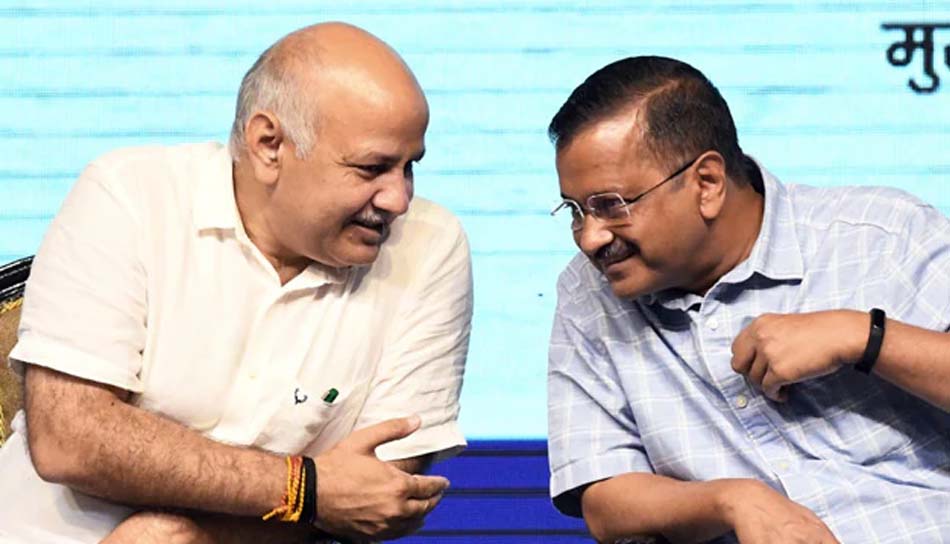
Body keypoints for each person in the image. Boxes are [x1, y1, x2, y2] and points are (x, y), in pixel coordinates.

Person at [0, 22, 472, 544]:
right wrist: (304, 489)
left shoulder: (429, 244)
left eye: (409, 168)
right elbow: (69, 439)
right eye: (371, 168)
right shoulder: (128, 195)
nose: (398, 200)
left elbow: (376, 496)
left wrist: (174, 533)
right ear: (269, 145)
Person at [546, 56, 950, 544]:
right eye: (576, 211)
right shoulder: (588, 294)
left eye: (611, 206)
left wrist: (865, 336)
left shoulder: (882, 233)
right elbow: (604, 498)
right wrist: (733, 500)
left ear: (707, 184)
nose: (590, 238)